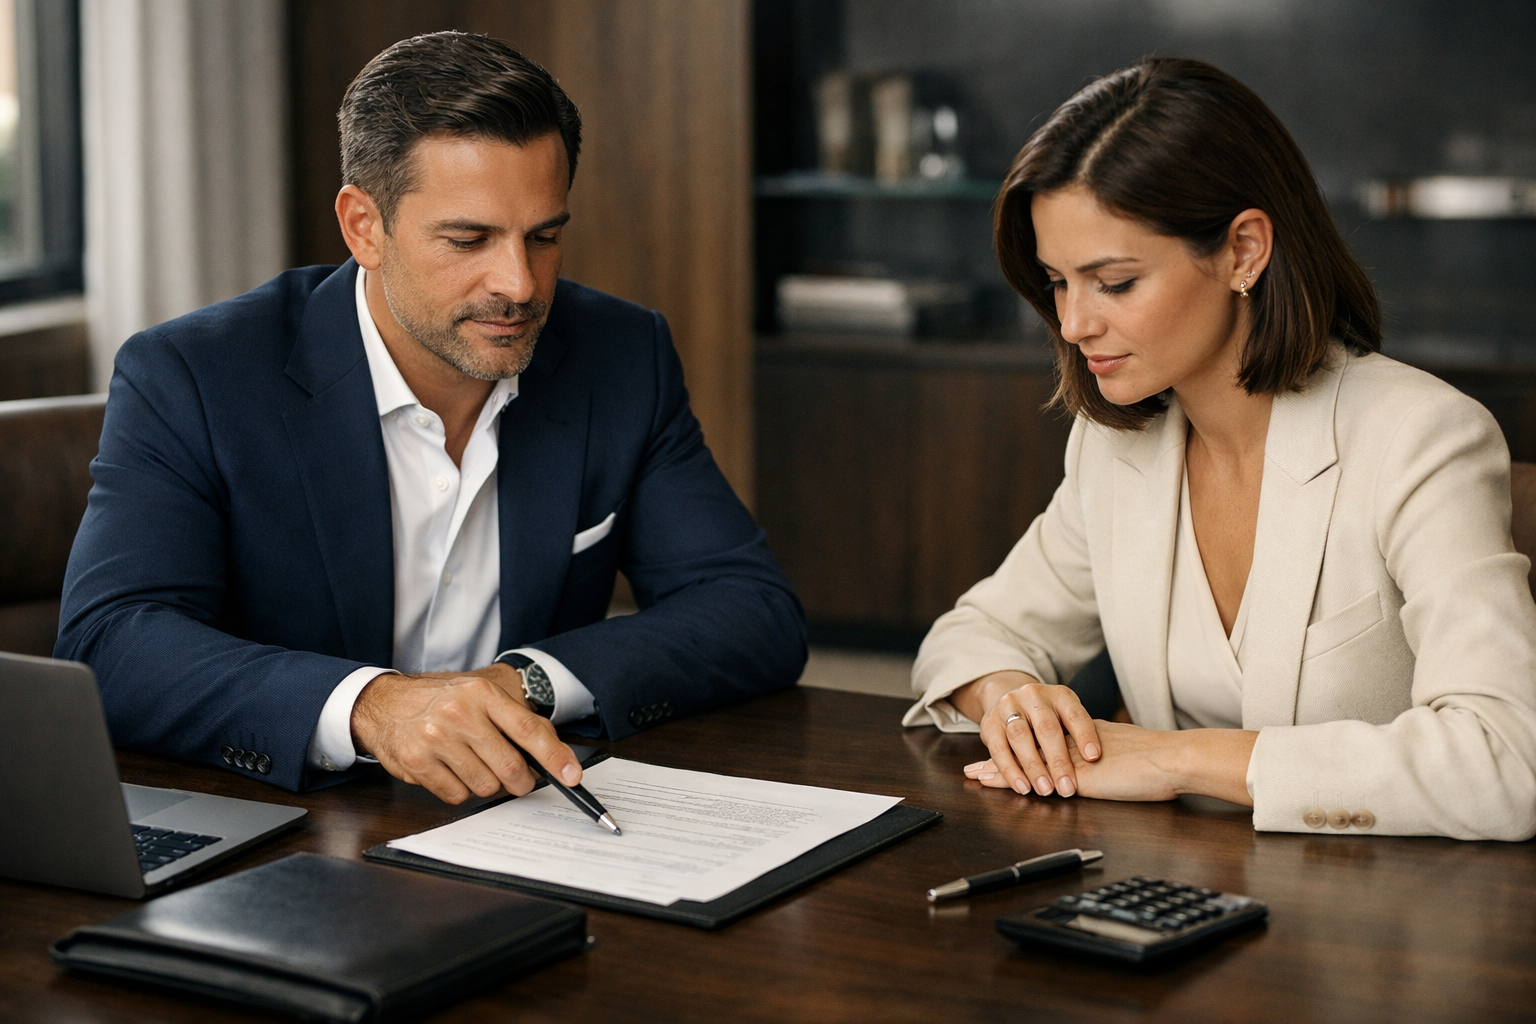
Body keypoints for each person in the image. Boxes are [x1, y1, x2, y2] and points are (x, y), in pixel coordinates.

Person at [58, 32, 806, 803]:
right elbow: (110, 643)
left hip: (526, 821)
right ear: (363, 227)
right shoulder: (195, 376)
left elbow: (752, 612)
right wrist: (374, 707)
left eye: (544, 236)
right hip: (289, 838)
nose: (518, 284)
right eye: (468, 239)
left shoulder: (619, 355)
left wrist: (527, 683)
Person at [903, 56, 1536, 841]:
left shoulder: (1420, 438)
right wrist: (1007, 695)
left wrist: (1173, 760)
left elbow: (1507, 759)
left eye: (1115, 282)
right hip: (1174, 897)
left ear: (1243, 251)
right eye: (1058, 282)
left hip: (1372, 923)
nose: (1072, 325)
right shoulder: (1115, 452)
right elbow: (970, 637)